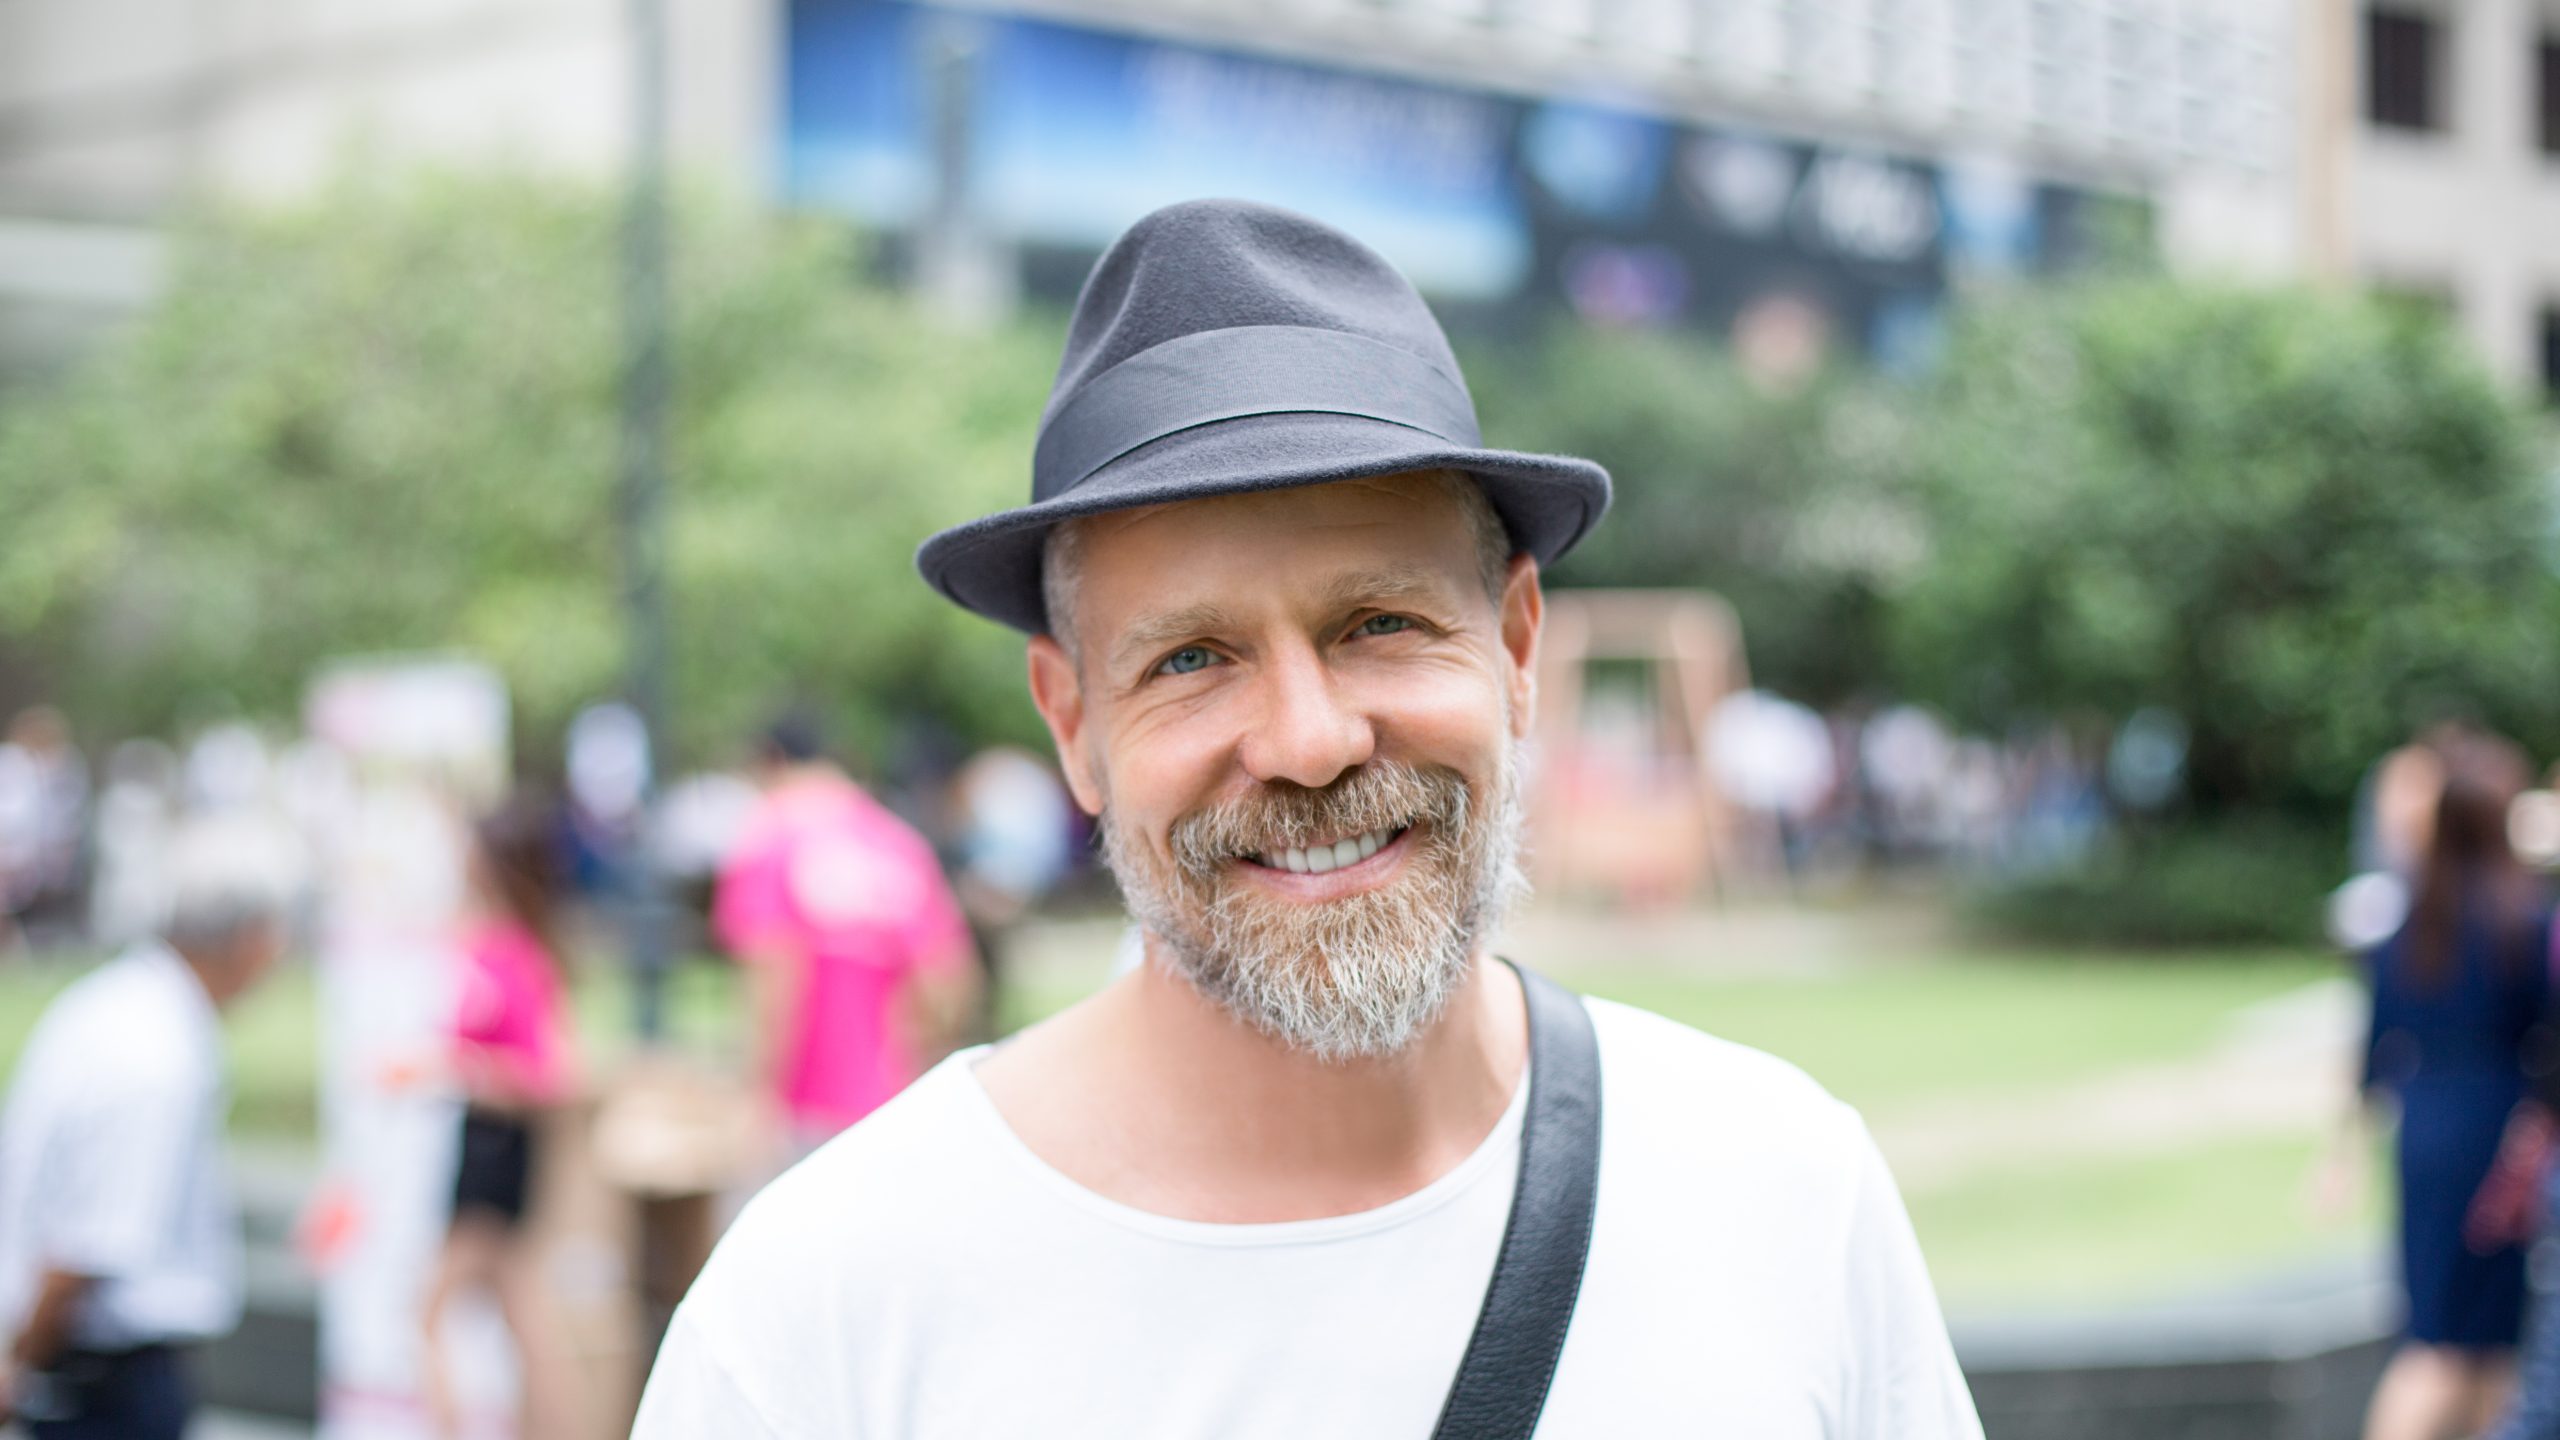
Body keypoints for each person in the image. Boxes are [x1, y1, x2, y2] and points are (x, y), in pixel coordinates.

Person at [635, 199, 1980, 1436]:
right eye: (1190, 660)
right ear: (1072, 723)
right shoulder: (821, 1314)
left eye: (1380, 624)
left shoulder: (1779, 1192)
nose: (1308, 741)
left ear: (1516, 647)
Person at [0, 815, 296, 1439]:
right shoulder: (156, 1052)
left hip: (86, 1366)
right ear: (248, 937)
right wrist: (19, 1365)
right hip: (101, 1379)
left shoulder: (116, 1006)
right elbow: (90, 1244)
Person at [2348, 732, 2551, 1440]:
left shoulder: (2404, 926)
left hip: (2422, 1130)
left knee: (2459, 1339)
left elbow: (2373, 1047)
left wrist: (2344, 1147)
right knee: (2458, 1348)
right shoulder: (2522, 926)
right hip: (2494, 1134)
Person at [714, 716, 981, 1154]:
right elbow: (948, 978)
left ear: (771, 761)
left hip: (803, 1110)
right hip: (892, 1105)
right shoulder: (896, 841)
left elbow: (773, 976)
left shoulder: (769, 838)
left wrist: (758, 1093)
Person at [414, 797, 583, 1440]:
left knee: (437, 1314)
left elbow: (556, 1075)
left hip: (497, 1151)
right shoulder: (500, 945)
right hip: (489, 1148)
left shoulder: (513, 956)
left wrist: (463, 1070)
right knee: (523, 1318)